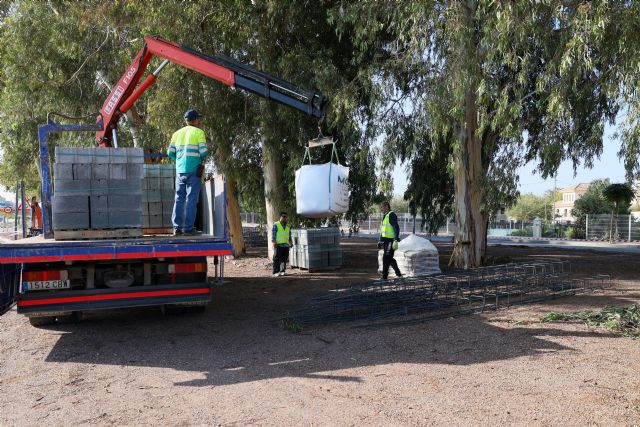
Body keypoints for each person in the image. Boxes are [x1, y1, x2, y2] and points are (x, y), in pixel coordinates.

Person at [167, 109, 208, 236]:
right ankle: (188, 229)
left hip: (180, 171)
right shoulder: (199, 132)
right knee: (191, 199)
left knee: (179, 198)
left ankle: (176, 228)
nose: (199, 121)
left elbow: (170, 153)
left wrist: (178, 160)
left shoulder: (176, 134)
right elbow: (204, 152)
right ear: (195, 120)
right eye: (198, 119)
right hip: (193, 171)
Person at [378, 201, 402, 280]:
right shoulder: (385, 216)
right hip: (386, 241)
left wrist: (395, 240)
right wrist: (380, 241)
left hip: (390, 241)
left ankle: (384, 277)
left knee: (386, 258)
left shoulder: (391, 214)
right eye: (381, 207)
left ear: (387, 207)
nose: (381, 209)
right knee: (389, 258)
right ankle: (398, 274)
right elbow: (383, 230)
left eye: (382, 207)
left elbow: (396, 228)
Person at [272, 212, 292, 277]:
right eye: (283, 216)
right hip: (278, 245)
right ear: (280, 217)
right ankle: (275, 272)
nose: (284, 218)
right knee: (277, 259)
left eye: (286, 217)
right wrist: (274, 242)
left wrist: (290, 242)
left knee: (284, 259)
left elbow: (289, 235)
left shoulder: (288, 225)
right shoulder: (276, 224)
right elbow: (274, 234)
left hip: (286, 245)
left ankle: (282, 271)